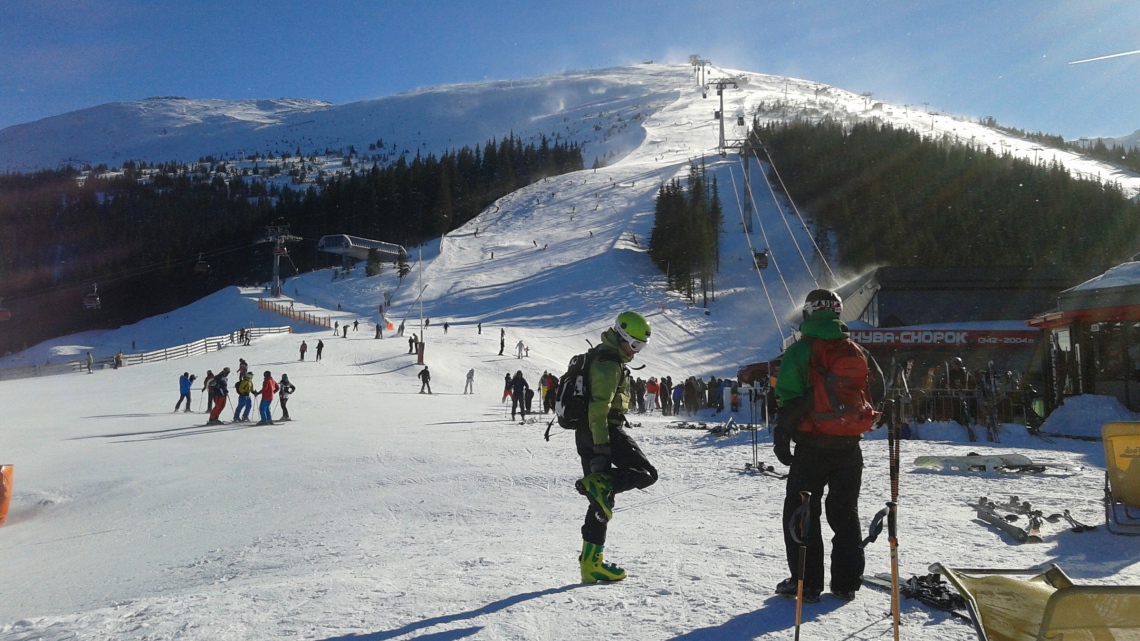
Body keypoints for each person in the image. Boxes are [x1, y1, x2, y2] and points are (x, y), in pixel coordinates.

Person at [773, 289, 884, 604]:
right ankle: (847, 582)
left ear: (809, 312)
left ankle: (805, 583)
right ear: (837, 312)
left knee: (802, 511)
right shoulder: (855, 350)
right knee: (844, 512)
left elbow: (790, 400)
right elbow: (878, 389)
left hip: (813, 444)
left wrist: (782, 437)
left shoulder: (800, 351)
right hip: (849, 445)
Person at [575, 311, 658, 584]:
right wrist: (601, 449)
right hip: (602, 431)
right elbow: (599, 408)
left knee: (602, 501)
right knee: (645, 472)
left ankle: (591, 563)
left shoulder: (604, 356)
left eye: (641, 347)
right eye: (633, 345)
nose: (636, 352)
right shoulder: (608, 364)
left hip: (591, 432)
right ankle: (600, 484)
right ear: (620, 335)